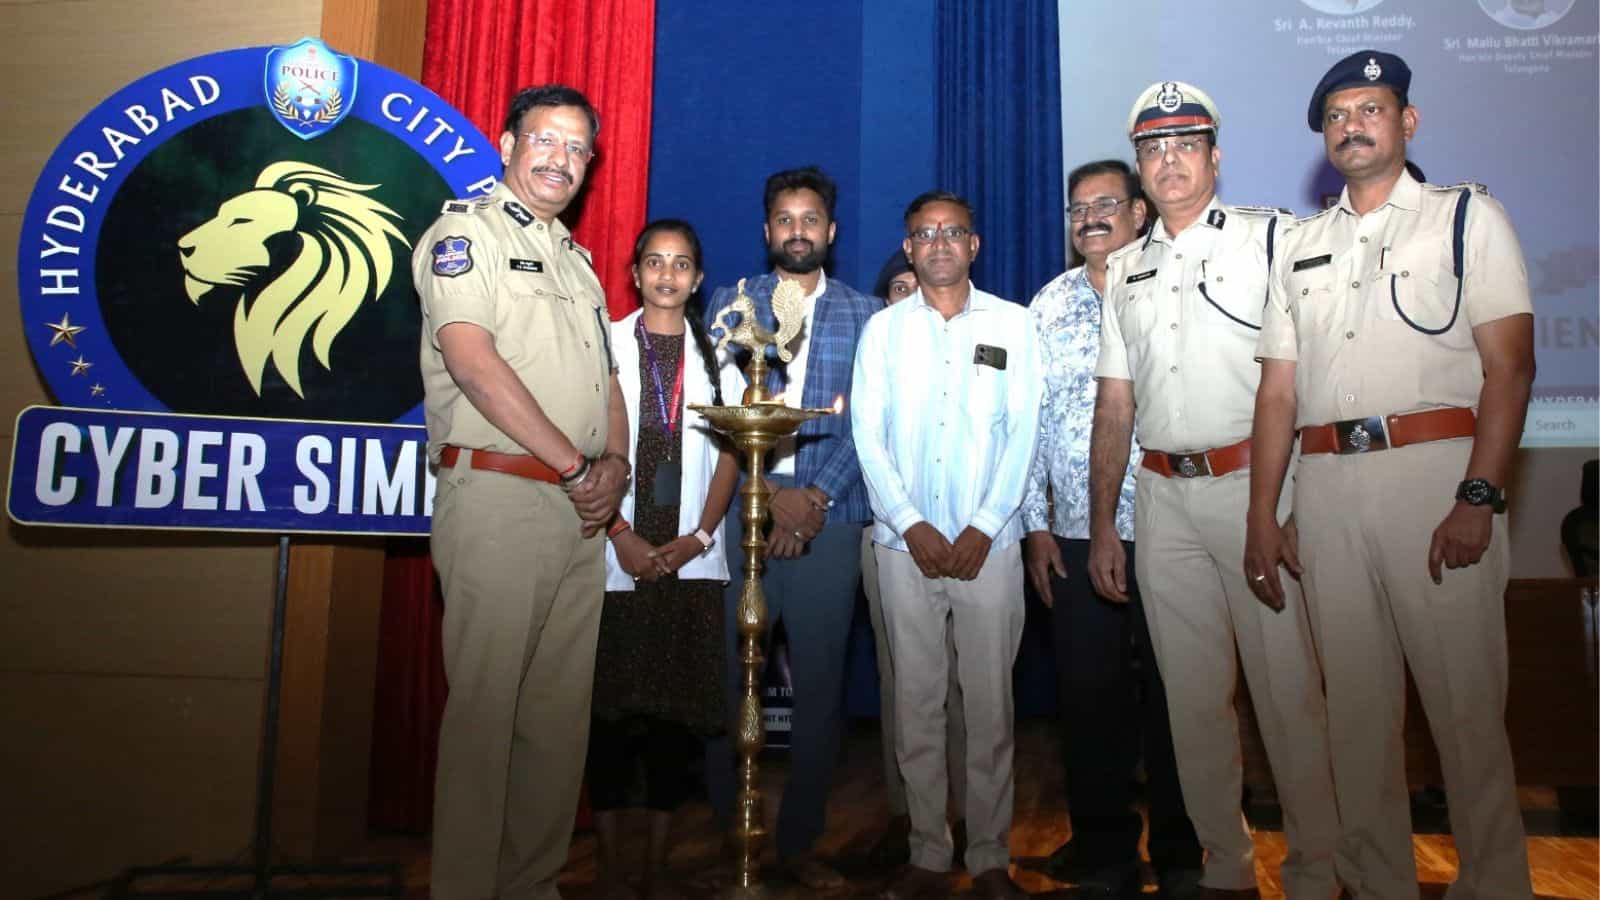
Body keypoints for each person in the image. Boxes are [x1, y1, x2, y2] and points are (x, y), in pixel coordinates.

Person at [1246, 50, 1538, 900]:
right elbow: (1277, 392)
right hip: (1328, 492)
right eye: (1336, 115)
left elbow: (1510, 369)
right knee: (1357, 725)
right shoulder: (1299, 244)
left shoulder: (1463, 219)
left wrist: (1479, 495)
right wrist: (1266, 515)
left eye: (1369, 109)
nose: (1351, 126)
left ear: (1407, 122)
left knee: (1466, 715)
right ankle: (1379, 888)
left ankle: (1495, 887)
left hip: (1437, 479)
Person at [1091, 81, 1340, 900]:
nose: (1169, 162)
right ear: (1139, 167)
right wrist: (1103, 527)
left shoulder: (1276, 238)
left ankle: (1313, 871)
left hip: (1254, 490)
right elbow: (1115, 403)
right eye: (1153, 150)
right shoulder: (1122, 267)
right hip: (1162, 500)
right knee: (1193, 706)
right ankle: (1225, 870)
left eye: (1185, 146)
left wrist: (1287, 505)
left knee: (1287, 696)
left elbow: (1310, 377)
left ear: (1215, 157)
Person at [412, 84, 629, 900]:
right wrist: (578, 471)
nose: (561, 160)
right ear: (507, 142)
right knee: (485, 719)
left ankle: (532, 886)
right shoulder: (465, 235)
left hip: (578, 517)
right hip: (500, 501)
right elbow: (472, 361)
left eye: (578, 149)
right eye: (546, 140)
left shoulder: (576, 260)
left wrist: (614, 469)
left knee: (554, 725)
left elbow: (605, 379)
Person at [853, 190, 1042, 900]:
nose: (937, 243)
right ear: (908, 249)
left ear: (974, 245)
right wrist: (912, 524)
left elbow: (1023, 436)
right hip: (906, 551)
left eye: (951, 232)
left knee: (991, 708)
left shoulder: (1014, 327)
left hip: (988, 550)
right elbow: (869, 437)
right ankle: (929, 854)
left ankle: (990, 857)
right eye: (924, 233)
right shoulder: (884, 333)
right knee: (917, 706)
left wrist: (984, 526)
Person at [1022, 160, 1202, 897]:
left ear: (1139, 212)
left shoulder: (1177, 286)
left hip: (1172, 523)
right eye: (1077, 208)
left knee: (1177, 696)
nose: (1089, 217)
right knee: (1088, 702)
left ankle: (1186, 850)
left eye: (1106, 204)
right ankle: (1104, 852)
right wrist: (1035, 526)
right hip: (1070, 532)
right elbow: (1027, 425)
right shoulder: (1048, 303)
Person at [701, 166, 879, 889]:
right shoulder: (729, 303)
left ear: (830, 233)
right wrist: (768, 494)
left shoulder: (869, 314)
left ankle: (799, 843)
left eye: (811, 219)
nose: (798, 230)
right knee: (724, 682)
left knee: (821, 689)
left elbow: (871, 420)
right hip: (743, 515)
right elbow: (713, 413)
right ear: (768, 229)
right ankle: (727, 837)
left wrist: (812, 501)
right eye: (785, 218)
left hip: (832, 521)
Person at [587, 220, 744, 900]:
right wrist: (620, 532)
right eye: (655, 262)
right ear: (634, 272)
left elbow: (734, 454)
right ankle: (609, 867)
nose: (667, 276)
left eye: (682, 265)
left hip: (688, 558)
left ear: (698, 279)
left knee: (673, 724)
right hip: (614, 550)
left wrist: (699, 539)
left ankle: (652, 869)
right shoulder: (605, 345)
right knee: (611, 717)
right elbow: (586, 440)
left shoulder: (723, 359)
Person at [860, 249, 969, 869]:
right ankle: (912, 814)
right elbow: (866, 438)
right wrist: (906, 521)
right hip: (891, 537)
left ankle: (962, 812)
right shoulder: (880, 345)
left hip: (976, 540)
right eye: (895, 286)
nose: (908, 294)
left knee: (966, 685)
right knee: (904, 679)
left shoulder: (974, 340)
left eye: (913, 285)